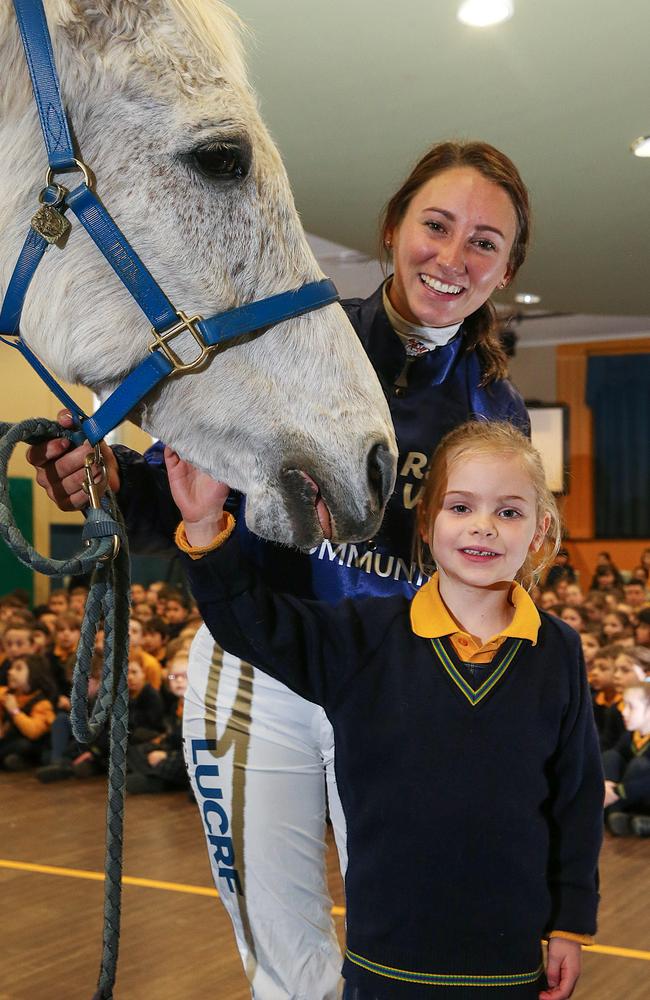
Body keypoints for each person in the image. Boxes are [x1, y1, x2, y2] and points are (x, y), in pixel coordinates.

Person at [28, 140, 533, 1000]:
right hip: (254, 670)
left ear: (507, 267)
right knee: (282, 955)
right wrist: (103, 480)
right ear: (392, 229)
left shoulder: (495, 411)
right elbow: (184, 492)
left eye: (484, 242)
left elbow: (492, 588)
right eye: (436, 226)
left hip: (393, 691)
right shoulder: (286, 342)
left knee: (403, 936)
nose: (452, 258)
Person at [172, 420, 603, 1000]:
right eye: (460, 506)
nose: (483, 526)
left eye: (508, 511)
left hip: (509, 963)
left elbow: (575, 797)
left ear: (540, 530)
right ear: (425, 524)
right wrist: (202, 525)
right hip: (385, 965)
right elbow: (251, 625)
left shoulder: (558, 650)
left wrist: (570, 925)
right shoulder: (363, 637)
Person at [603, 682, 650, 837]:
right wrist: (605, 786)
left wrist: (616, 792)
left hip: (638, 794)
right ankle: (614, 813)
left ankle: (612, 811)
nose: (623, 711)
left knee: (640, 765)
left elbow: (645, 780)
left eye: (631, 707)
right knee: (611, 756)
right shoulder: (631, 735)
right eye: (624, 705)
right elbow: (614, 757)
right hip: (629, 796)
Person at [0, 654, 56, 770]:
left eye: (18, 668)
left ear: (34, 673)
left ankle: (21, 761)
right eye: (11, 668)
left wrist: (15, 711)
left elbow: (33, 732)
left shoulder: (42, 703)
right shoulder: (7, 694)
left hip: (30, 744)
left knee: (23, 745)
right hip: (8, 741)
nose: (10, 672)